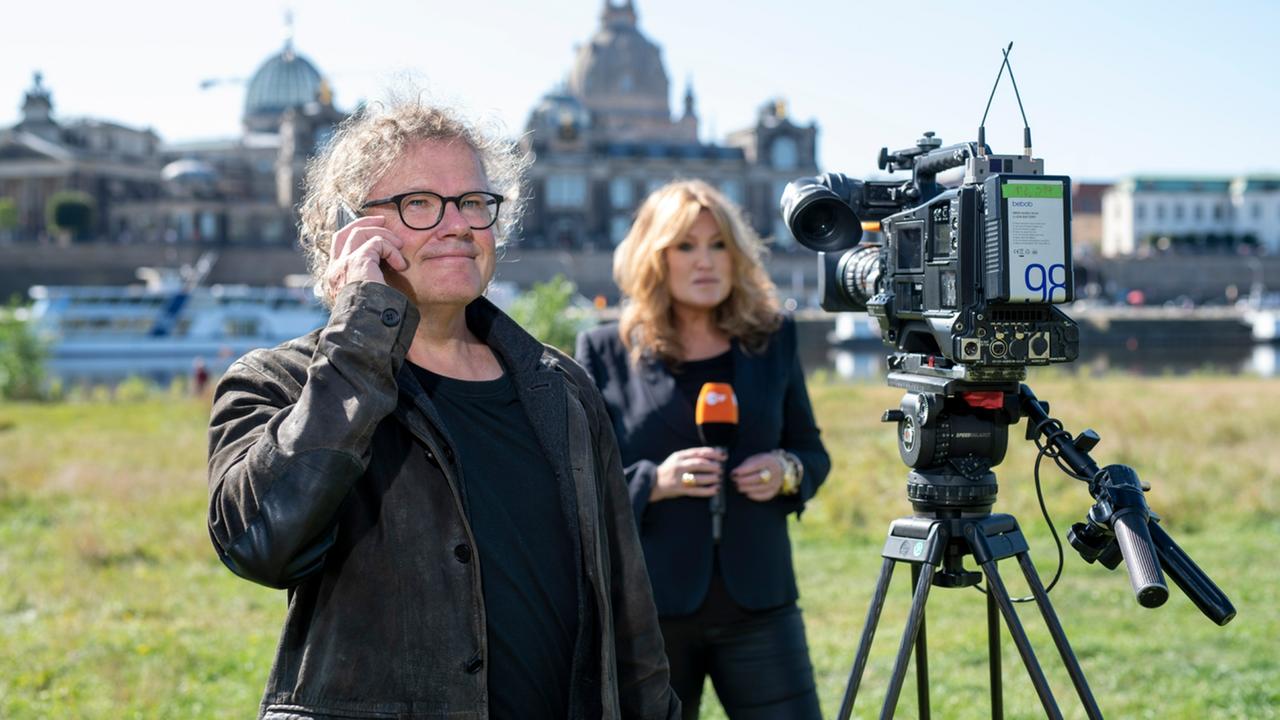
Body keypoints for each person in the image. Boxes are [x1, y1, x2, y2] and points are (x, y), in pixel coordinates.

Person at [206, 97, 679, 720]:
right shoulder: (280, 384)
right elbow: (258, 544)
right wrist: (360, 337)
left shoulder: (562, 387)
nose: (457, 225)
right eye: (419, 203)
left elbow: (629, 615)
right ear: (345, 228)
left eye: (473, 203)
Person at [575, 180, 831, 719]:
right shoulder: (603, 350)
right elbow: (582, 482)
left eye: (718, 245)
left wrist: (785, 471)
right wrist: (655, 481)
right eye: (686, 246)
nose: (706, 261)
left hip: (761, 604)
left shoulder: (774, 338)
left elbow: (810, 452)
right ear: (654, 256)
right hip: (648, 612)